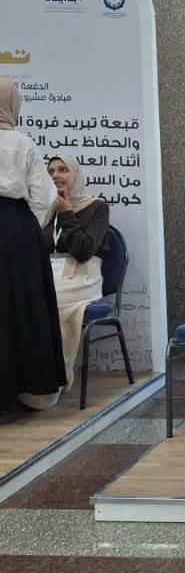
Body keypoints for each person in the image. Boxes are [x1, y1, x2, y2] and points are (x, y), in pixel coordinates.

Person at [20, 155, 110, 408]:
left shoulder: (97, 207)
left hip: (83, 275)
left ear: (76, 174)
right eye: (50, 171)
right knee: (22, 300)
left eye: (63, 170)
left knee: (49, 302)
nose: (56, 175)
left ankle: (50, 383)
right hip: (51, 274)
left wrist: (67, 212)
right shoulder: (46, 211)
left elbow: (84, 250)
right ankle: (24, 379)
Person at [0, 77, 65, 423]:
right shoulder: (21, 142)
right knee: (20, 308)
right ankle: (21, 391)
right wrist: (24, 228)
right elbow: (45, 197)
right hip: (16, 232)